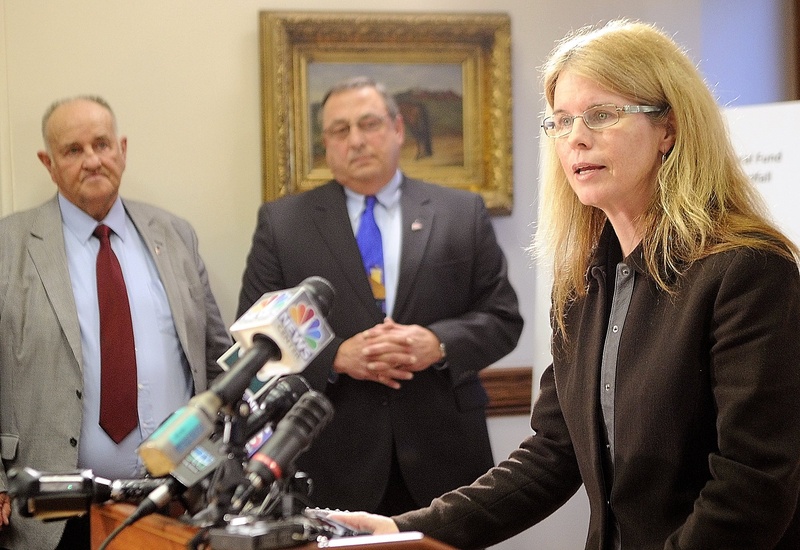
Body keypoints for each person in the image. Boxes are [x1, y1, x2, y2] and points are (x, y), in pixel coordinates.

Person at [327, 19, 800, 550]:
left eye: (601, 115)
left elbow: (754, 484)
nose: (576, 137)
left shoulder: (749, 269)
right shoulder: (582, 282)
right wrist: (406, 528)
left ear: (669, 128)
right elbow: (556, 451)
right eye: (561, 121)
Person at [237, 76, 523, 515]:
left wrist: (438, 343)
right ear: (326, 144)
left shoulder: (460, 212)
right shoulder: (283, 224)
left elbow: (503, 318)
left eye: (369, 124)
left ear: (397, 130)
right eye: (340, 130)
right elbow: (253, 340)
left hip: (445, 459)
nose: (356, 140)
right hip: (330, 457)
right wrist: (334, 356)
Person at [0, 96, 232, 550]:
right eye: (73, 150)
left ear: (122, 149)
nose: (92, 160)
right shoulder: (9, 245)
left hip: (177, 501)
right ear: (48, 163)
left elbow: (215, 358)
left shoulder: (175, 234)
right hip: (52, 512)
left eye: (102, 144)